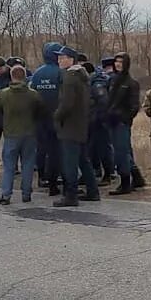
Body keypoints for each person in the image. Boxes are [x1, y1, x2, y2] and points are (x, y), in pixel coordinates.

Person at [53, 47, 100, 207]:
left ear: (71, 59)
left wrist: (57, 116)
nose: (59, 60)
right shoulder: (82, 76)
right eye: (58, 58)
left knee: (70, 162)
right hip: (81, 123)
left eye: (62, 57)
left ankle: (71, 195)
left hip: (71, 125)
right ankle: (93, 191)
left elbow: (67, 103)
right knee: (83, 160)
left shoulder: (70, 77)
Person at [0, 65, 46, 205]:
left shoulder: (4, 94)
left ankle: (6, 195)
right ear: (24, 76)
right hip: (29, 133)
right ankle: (26, 193)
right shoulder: (33, 94)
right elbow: (41, 110)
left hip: (11, 133)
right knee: (28, 164)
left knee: (9, 166)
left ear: (11, 76)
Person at [107, 52, 143, 195]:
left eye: (121, 62)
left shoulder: (131, 83)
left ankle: (125, 182)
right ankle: (136, 177)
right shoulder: (112, 81)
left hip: (122, 122)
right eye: (116, 62)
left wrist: (124, 118)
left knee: (122, 153)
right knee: (122, 152)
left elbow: (134, 106)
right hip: (111, 121)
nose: (118, 64)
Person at [29, 44, 64, 195]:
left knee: (42, 149)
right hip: (57, 117)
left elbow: (32, 94)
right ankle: (54, 182)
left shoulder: (37, 74)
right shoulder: (61, 73)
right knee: (56, 151)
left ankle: (42, 177)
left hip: (40, 118)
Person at [86, 60, 115, 184]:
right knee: (93, 149)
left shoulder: (97, 83)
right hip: (94, 121)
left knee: (104, 149)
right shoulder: (95, 81)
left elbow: (102, 102)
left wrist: (98, 119)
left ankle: (108, 175)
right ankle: (97, 172)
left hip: (100, 121)